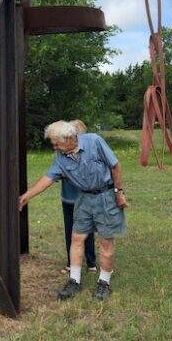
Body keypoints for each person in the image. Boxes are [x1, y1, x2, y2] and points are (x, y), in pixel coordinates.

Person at [18, 120, 128, 302]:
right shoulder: (61, 158)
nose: (54, 147)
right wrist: (26, 197)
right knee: (77, 238)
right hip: (83, 199)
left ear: (69, 138)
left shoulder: (94, 141)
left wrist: (119, 192)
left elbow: (115, 166)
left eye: (56, 143)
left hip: (105, 196)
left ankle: (104, 283)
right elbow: (47, 179)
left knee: (105, 241)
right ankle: (74, 281)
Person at [59, 120, 96, 274]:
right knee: (70, 231)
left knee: (87, 231)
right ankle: (71, 262)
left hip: (85, 199)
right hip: (67, 199)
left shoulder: (88, 153)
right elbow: (58, 172)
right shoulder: (62, 153)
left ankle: (91, 262)